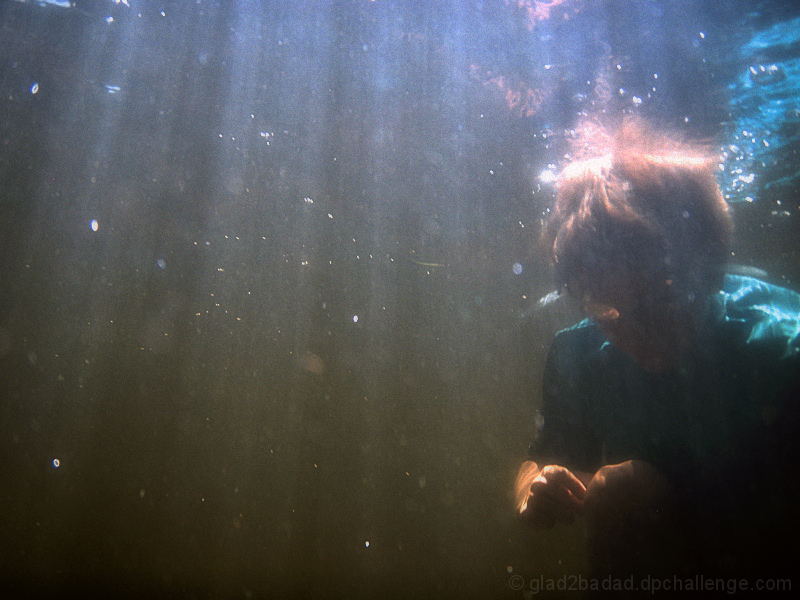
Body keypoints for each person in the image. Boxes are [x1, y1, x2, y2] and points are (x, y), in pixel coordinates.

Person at [516, 119, 800, 577]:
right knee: (621, 491)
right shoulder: (578, 354)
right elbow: (545, 457)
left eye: (654, 302)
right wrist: (536, 490)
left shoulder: (782, 349)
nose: (634, 332)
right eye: (607, 307)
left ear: (706, 271)